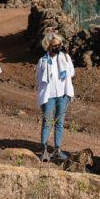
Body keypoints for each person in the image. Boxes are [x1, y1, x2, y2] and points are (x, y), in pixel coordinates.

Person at [36, 31, 75, 162]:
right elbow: (38, 79)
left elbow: (72, 72)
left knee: (59, 123)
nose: (57, 47)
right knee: (47, 122)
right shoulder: (42, 61)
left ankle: (57, 149)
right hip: (48, 96)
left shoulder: (65, 58)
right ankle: (44, 150)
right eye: (54, 45)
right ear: (48, 46)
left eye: (59, 44)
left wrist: (62, 63)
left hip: (62, 95)